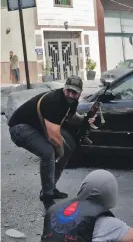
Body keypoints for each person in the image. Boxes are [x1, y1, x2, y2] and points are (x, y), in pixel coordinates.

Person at [8, 76, 95, 210]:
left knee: (68, 147)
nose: (71, 95)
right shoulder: (54, 101)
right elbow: (54, 138)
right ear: (64, 88)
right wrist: (60, 152)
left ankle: (51, 187)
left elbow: (71, 117)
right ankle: (47, 197)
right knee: (48, 152)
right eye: (69, 91)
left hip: (37, 127)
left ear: (80, 93)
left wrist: (85, 120)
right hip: (20, 128)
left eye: (75, 92)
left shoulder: (71, 102)